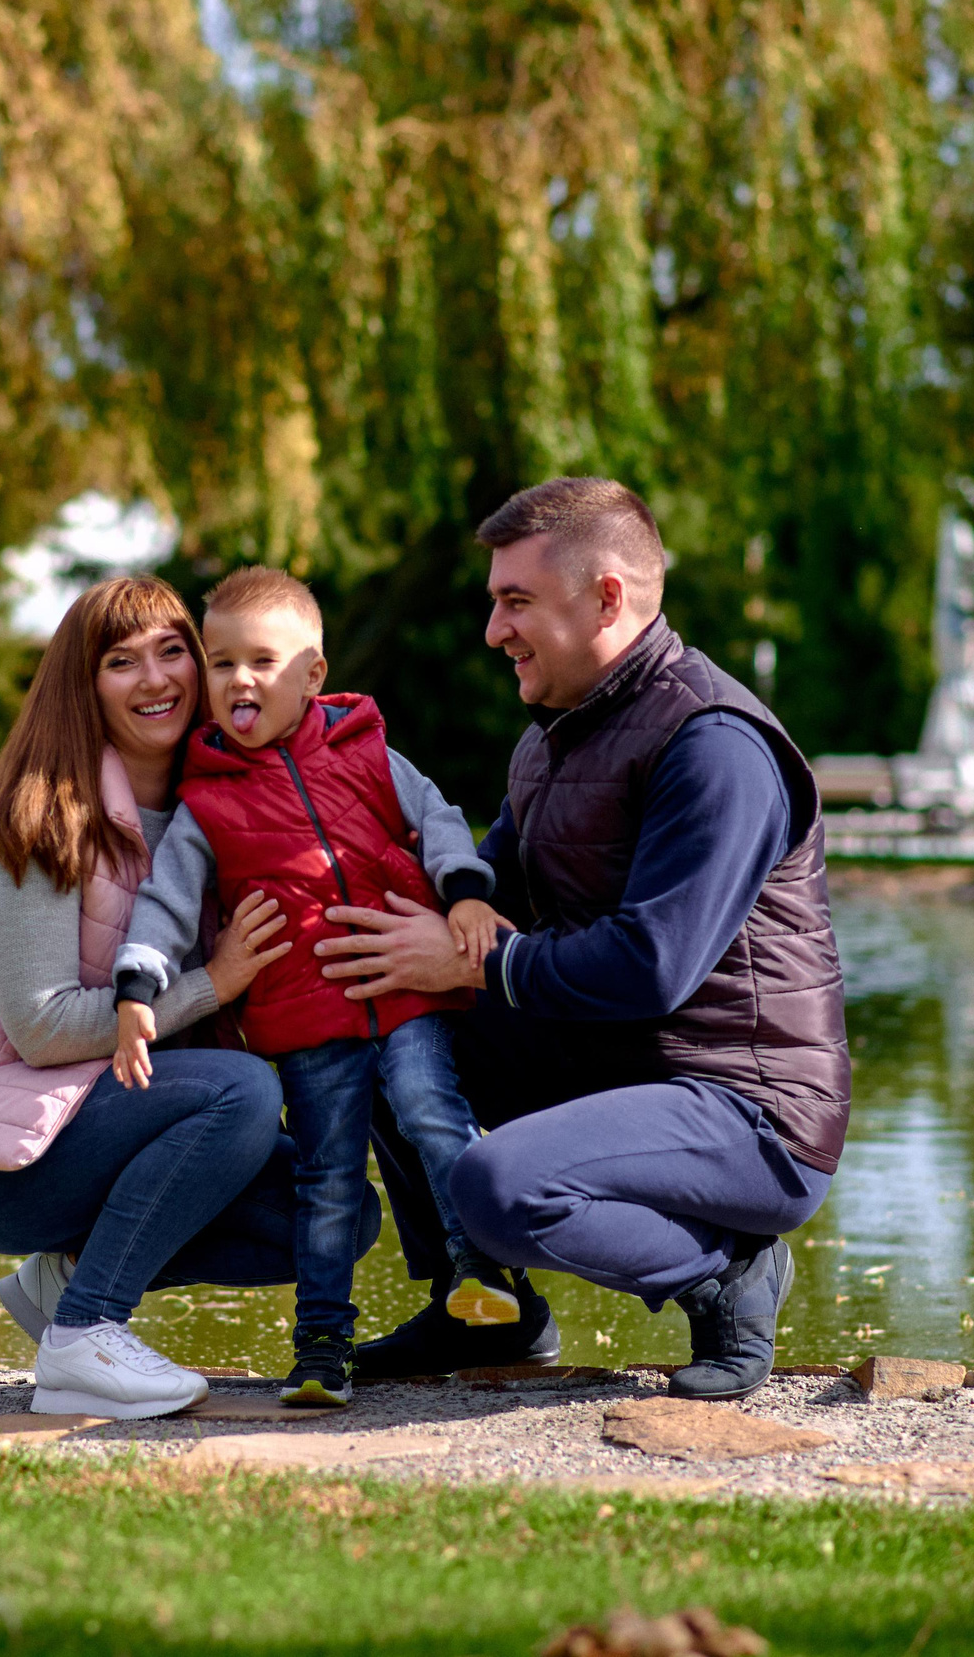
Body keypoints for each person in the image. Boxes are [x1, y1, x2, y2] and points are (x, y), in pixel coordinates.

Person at [312, 478, 851, 1400]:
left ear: (607, 597)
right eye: (495, 602)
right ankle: (487, 1299)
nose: (493, 630)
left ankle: (726, 1272)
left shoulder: (712, 742)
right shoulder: (554, 739)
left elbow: (652, 966)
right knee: (373, 1008)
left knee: (500, 1185)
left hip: (750, 1110)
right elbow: (481, 901)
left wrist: (477, 959)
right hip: (627, 1067)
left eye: (514, 601)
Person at [0, 576, 375, 1420]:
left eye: (171, 652)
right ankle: (86, 1332)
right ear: (83, 686)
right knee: (241, 1093)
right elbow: (41, 1026)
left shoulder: (221, 805)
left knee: (336, 1213)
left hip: (99, 1121)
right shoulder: (40, 816)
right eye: (121, 662)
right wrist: (213, 982)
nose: (154, 679)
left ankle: (66, 1277)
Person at [107, 566, 515, 1408]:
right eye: (220, 664)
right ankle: (322, 1351)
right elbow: (167, 900)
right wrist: (139, 983)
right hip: (307, 1023)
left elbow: (436, 813)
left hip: (404, 997)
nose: (238, 680)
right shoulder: (207, 799)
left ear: (313, 675)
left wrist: (466, 888)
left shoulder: (366, 748)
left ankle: (479, 1265)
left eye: (262, 660)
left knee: (430, 1107)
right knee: (326, 1180)